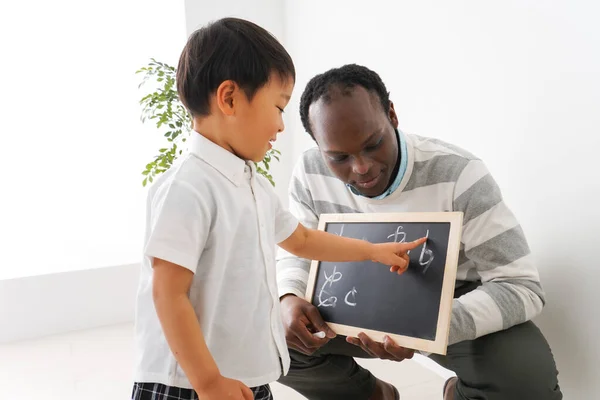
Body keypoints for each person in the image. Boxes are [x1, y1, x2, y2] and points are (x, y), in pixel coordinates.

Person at [131, 21, 425, 400]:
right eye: (278, 106)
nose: (281, 126)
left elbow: (301, 239)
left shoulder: (250, 182)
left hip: (241, 374)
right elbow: (168, 294)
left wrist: (371, 251)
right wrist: (207, 383)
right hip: (187, 382)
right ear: (230, 99)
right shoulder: (187, 187)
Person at [276, 64, 563, 400]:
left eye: (373, 144)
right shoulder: (309, 172)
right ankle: (370, 395)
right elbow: (299, 248)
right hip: (348, 298)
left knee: (526, 379)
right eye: (339, 157)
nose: (361, 167)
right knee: (263, 334)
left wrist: (423, 326)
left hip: (451, 300)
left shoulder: (459, 174)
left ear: (392, 115)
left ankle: (459, 393)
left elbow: (522, 286)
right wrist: (289, 297)